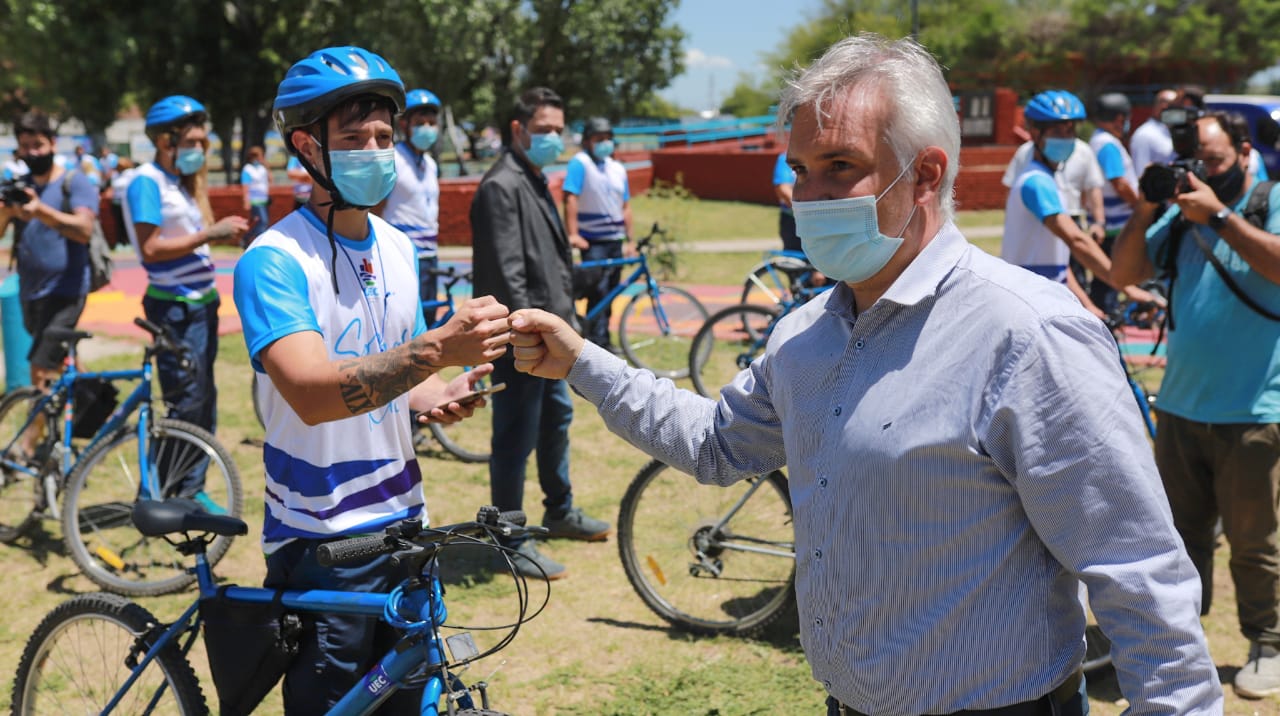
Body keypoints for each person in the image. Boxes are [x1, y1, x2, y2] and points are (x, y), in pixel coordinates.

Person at [506, 33, 1222, 714]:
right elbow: (717, 444)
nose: (811, 195)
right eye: (800, 170)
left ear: (926, 175)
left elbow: (1137, 572)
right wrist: (583, 363)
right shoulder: (805, 337)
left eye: (840, 166)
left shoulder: (1028, 335)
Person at [233, 45, 511, 714]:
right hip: (322, 537)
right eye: (356, 139)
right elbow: (311, 392)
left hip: (405, 521)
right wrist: (436, 350)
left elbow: (398, 369)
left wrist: (438, 392)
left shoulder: (396, 246)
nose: (377, 152)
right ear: (307, 147)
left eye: (385, 136)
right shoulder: (273, 261)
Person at [1112, 110, 1280, 699]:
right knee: (1179, 539)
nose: (1203, 172)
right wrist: (1145, 210)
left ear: (1244, 153)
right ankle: (1180, 642)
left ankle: (1267, 644)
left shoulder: (1268, 201)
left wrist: (1220, 217)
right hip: (1182, 409)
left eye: (1214, 160)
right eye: (1194, 162)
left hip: (1254, 410)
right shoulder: (1181, 216)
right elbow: (1123, 271)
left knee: (1254, 542)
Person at [470, 86, 611, 580]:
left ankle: (560, 509)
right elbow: (507, 275)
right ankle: (509, 538)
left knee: (556, 422)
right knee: (515, 438)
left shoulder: (531, 178)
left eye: (559, 130)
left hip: (549, 338)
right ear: (518, 129)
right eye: (544, 129)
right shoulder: (500, 186)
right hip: (523, 342)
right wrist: (528, 337)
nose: (554, 137)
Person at [123, 96, 248, 496]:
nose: (199, 150)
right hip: (174, 307)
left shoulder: (178, 181)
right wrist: (210, 233)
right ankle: (164, 492)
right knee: (186, 402)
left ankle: (190, 488)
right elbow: (150, 249)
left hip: (200, 303)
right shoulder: (147, 181)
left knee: (203, 400)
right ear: (166, 141)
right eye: (192, 142)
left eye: (201, 143)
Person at [1000, 90, 1129, 317]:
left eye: (1070, 131)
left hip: (1044, 294)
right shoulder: (1037, 182)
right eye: (1057, 131)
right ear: (1035, 132)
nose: (1065, 138)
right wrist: (1125, 285)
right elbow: (1077, 240)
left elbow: (1059, 264)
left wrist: (1086, 304)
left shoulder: (1052, 175)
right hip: (1029, 301)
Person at [0, 111, 98, 390]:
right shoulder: (22, 187)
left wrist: (40, 211)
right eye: (25, 146)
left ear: (53, 144)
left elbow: (84, 229)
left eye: (38, 145)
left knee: (40, 366)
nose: (32, 152)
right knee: (61, 360)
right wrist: (7, 212)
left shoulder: (73, 181)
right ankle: (98, 406)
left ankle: (36, 419)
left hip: (66, 290)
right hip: (31, 290)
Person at [564, 116, 631, 351]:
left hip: (614, 239)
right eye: (598, 138)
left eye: (608, 138)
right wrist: (573, 233)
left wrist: (630, 239)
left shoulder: (617, 168)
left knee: (611, 291)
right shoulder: (580, 163)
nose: (604, 143)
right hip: (592, 241)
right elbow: (570, 198)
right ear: (587, 141)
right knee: (597, 291)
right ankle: (594, 341)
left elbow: (626, 205)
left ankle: (603, 337)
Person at [377, 87, 442, 324]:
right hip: (402, 254)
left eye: (431, 123)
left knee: (429, 317)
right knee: (406, 320)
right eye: (420, 123)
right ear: (404, 125)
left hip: (430, 253)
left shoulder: (430, 164)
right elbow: (375, 207)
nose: (427, 128)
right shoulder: (393, 159)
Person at [1087, 92, 1141, 315]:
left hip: (1108, 221)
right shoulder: (1108, 144)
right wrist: (1139, 205)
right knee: (1111, 277)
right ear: (1119, 118)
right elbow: (1119, 182)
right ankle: (1107, 318)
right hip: (1115, 223)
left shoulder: (1098, 140)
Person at [1130, 87, 1178, 174]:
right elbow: (1140, 171)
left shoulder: (1173, 130)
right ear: (1163, 106)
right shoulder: (1144, 134)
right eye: (1175, 106)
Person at [240, 145, 271, 246]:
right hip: (254, 200)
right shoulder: (248, 169)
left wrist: (267, 166)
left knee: (260, 222)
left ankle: (248, 238)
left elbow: (270, 179)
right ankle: (256, 240)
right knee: (263, 221)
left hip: (264, 199)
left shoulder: (262, 168)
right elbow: (245, 185)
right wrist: (246, 200)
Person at [772, 149, 799, 252]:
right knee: (796, 257)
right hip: (792, 219)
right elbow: (783, 189)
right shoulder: (786, 158)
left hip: (821, 218)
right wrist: (804, 210)